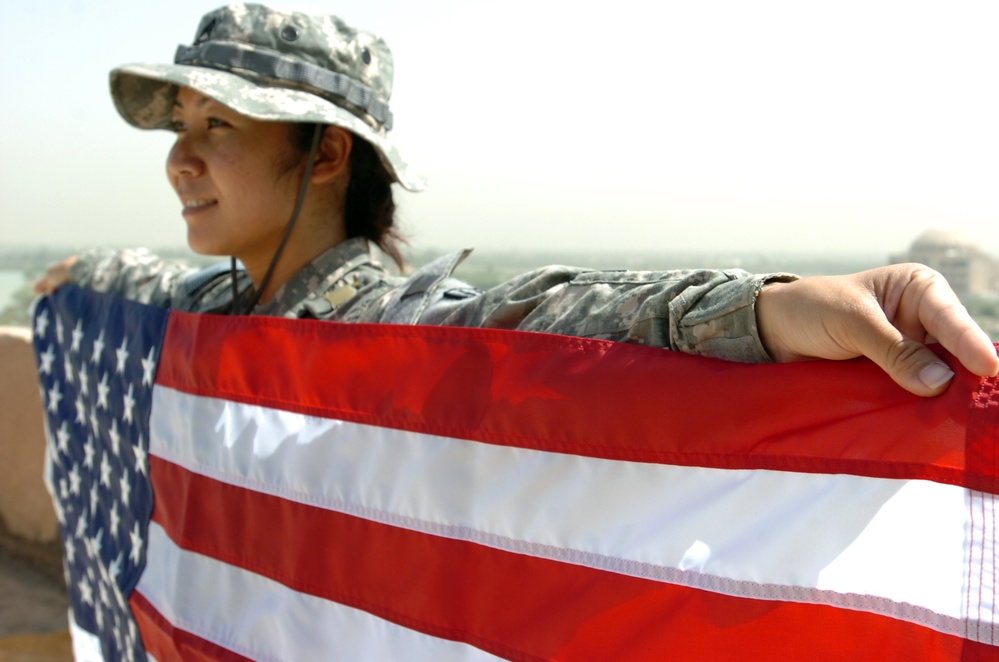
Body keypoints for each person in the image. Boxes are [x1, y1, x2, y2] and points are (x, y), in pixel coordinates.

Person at [35, 2, 998, 399]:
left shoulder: (396, 331)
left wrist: (768, 309)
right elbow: (137, 277)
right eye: (180, 131)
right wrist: (76, 275)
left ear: (326, 153)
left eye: (220, 129)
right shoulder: (217, 308)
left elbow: (550, 317)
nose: (180, 163)